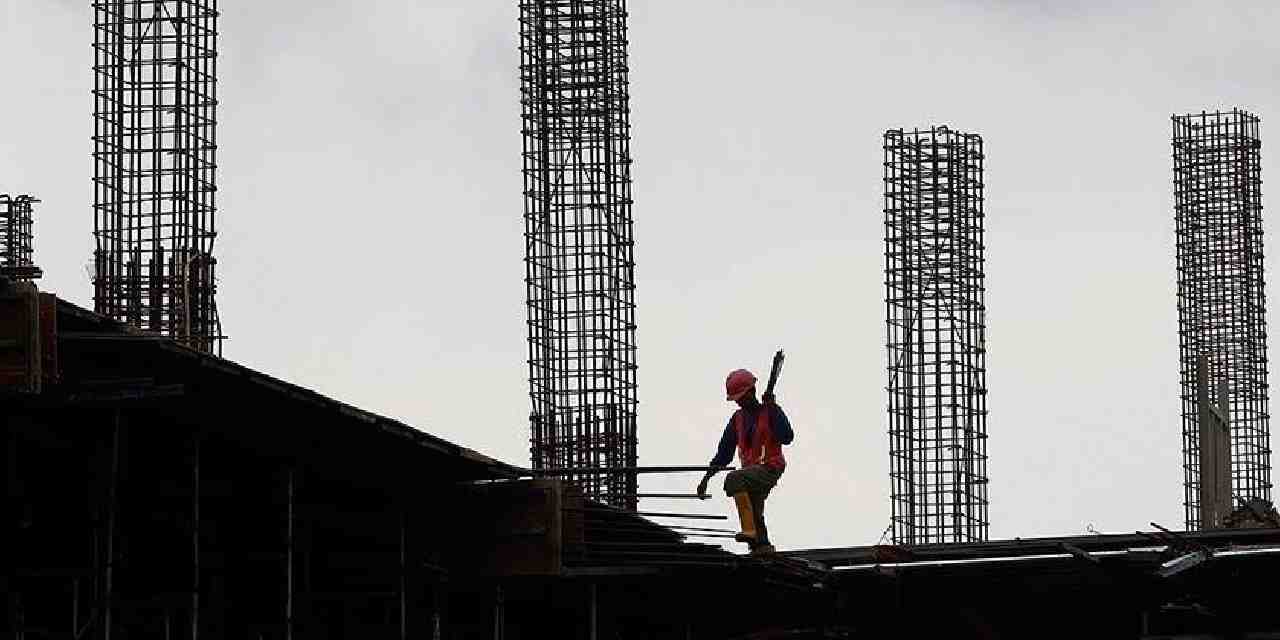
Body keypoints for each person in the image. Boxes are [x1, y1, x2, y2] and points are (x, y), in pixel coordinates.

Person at [695, 368, 793, 554]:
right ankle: (761, 546)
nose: (739, 402)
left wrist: (773, 408)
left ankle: (750, 531)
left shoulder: (770, 411)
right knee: (754, 508)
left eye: (741, 397)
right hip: (752, 473)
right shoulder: (737, 419)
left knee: (735, 479)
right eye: (736, 399)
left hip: (770, 468)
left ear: (752, 391)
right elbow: (724, 453)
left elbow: (787, 437)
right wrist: (707, 477)